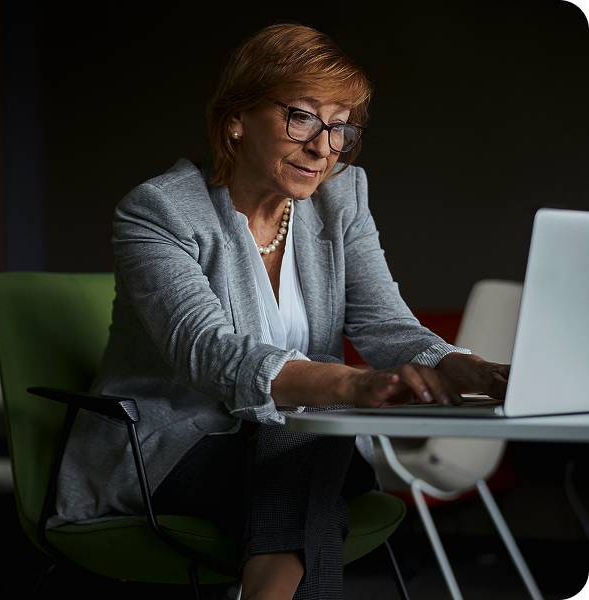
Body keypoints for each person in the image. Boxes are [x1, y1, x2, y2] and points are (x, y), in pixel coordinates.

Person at [51, 23, 511, 599]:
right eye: (302, 117)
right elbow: (210, 352)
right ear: (235, 120)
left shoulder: (343, 197)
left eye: (341, 126)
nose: (324, 148)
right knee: (303, 457)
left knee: (303, 448)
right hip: (178, 447)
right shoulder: (160, 211)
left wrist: (459, 367)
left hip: (310, 441)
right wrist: (354, 385)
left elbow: (385, 325)